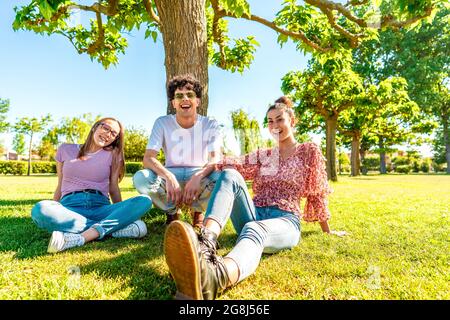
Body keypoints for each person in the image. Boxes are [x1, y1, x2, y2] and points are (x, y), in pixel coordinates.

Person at [164, 97, 347, 300]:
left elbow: (317, 192)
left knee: (254, 229)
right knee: (231, 174)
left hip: (285, 219)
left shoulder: (308, 151)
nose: (274, 125)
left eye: (279, 120)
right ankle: (205, 244)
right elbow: (230, 163)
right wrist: (200, 168)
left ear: (292, 121)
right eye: (270, 121)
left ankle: (217, 277)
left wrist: (327, 230)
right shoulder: (265, 155)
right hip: (254, 212)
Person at [31, 117, 152, 253]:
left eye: (113, 134)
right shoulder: (65, 149)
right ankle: (113, 229)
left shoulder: (113, 154)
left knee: (144, 200)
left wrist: (120, 211)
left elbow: (113, 187)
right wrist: (55, 208)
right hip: (71, 209)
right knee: (40, 209)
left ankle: (83, 237)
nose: (108, 134)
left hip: (101, 207)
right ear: (95, 127)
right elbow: (60, 184)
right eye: (106, 128)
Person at [133, 74, 221, 227]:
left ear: (198, 101)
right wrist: (168, 176)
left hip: (199, 173)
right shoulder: (162, 122)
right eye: (179, 96)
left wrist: (198, 176)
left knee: (223, 176)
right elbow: (148, 158)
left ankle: (197, 212)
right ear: (174, 103)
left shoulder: (210, 123)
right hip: (171, 172)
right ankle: (172, 212)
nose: (185, 99)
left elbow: (216, 158)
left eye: (190, 95)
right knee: (141, 178)